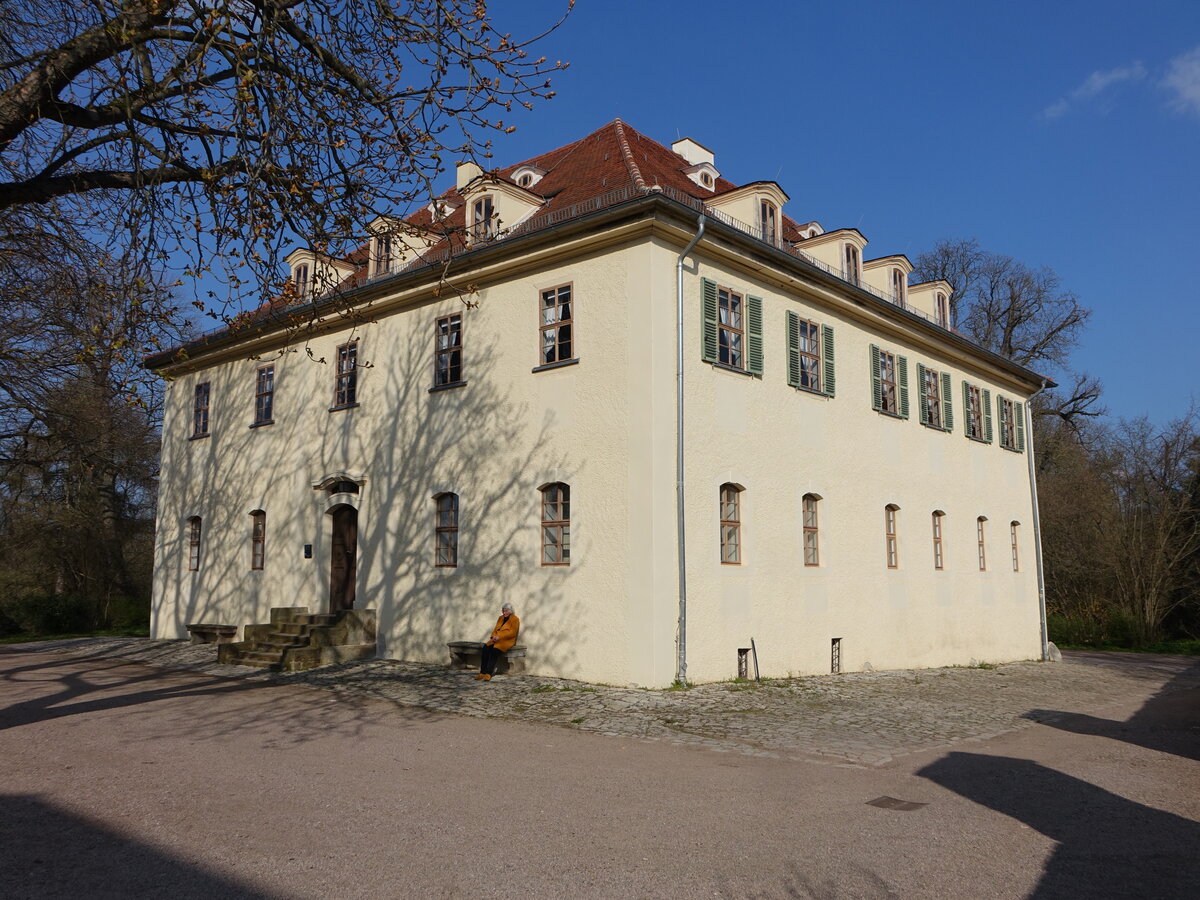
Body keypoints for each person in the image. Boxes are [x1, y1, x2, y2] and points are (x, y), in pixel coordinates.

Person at [476, 603, 519, 681]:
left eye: (506, 611)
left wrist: (500, 637)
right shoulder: (500, 618)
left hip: (506, 641)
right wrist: (493, 636)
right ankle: (482, 672)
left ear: (510, 611)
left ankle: (488, 673)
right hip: (496, 639)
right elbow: (495, 629)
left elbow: (512, 633)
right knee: (485, 648)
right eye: (503, 611)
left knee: (494, 651)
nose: (504, 612)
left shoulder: (515, 619)